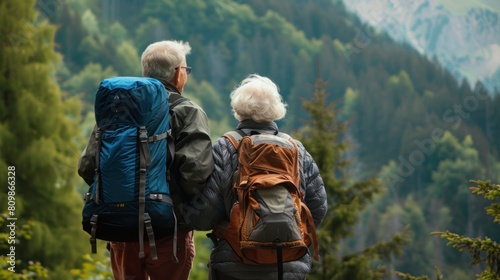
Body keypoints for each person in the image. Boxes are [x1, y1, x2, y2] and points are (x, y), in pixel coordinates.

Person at [78, 40, 215, 280]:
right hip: (168, 231)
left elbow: (87, 166)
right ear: (177, 73)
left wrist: (124, 195)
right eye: (186, 70)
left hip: (119, 226)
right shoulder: (188, 111)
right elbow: (196, 175)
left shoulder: (117, 108)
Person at [188, 74, 328, 280]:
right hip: (288, 267)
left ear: (238, 109)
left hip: (234, 266)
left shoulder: (225, 147)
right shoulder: (296, 150)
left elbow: (204, 215)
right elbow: (318, 209)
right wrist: (285, 236)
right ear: (276, 109)